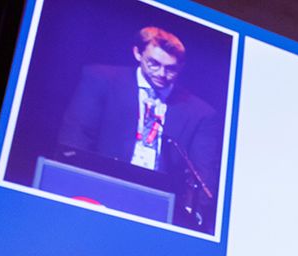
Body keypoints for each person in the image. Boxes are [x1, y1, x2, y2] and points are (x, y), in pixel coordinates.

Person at [57, 26, 220, 230]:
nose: (162, 74)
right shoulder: (101, 80)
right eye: (154, 64)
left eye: (171, 69)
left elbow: (204, 176)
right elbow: (75, 139)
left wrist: (189, 217)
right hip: (98, 191)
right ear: (137, 53)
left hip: (160, 207)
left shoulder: (201, 113)